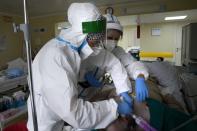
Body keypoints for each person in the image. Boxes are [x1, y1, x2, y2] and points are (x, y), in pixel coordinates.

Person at [27, 3, 132, 131]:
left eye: (100, 36)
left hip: (61, 119)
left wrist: (123, 90)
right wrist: (115, 107)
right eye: (96, 37)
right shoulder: (56, 56)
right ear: (83, 33)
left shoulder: (75, 48)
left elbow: (111, 62)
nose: (99, 43)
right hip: (46, 124)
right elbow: (74, 113)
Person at [103, 13, 149, 102]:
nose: (113, 41)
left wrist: (140, 76)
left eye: (116, 39)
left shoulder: (117, 51)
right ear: (101, 36)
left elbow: (131, 64)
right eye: (109, 37)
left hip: (103, 89)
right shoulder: (91, 51)